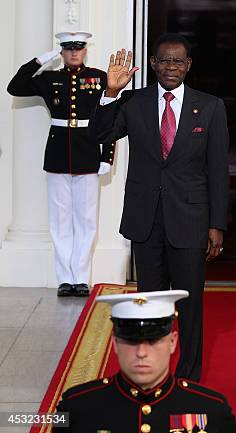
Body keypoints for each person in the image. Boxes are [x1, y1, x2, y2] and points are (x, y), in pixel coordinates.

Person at [90, 33, 230, 381]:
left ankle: (188, 378)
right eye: (164, 60)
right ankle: (151, 374)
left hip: (191, 220)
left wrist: (216, 224)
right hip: (145, 220)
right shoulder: (132, 102)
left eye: (177, 61)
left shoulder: (210, 106)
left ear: (188, 66)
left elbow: (217, 171)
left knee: (190, 306)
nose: (171, 67)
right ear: (153, 64)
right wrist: (110, 93)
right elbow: (98, 134)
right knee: (149, 304)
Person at [7, 31, 113, 297]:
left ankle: (81, 277)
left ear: (85, 51)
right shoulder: (49, 78)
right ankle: (65, 279)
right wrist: (42, 59)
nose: (74, 53)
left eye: (78, 48)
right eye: (68, 49)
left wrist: (106, 157)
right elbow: (15, 86)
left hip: (89, 153)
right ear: (62, 52)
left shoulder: (100, 78)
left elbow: (111, 118)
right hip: (57, 155)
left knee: (86, 220)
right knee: (60, 220)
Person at [53, 290, 236, 433]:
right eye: (132, 341)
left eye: (153, 341)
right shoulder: (76, 408)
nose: (141, 352)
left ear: (172, 342)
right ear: (115, 344)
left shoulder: (212, 410)